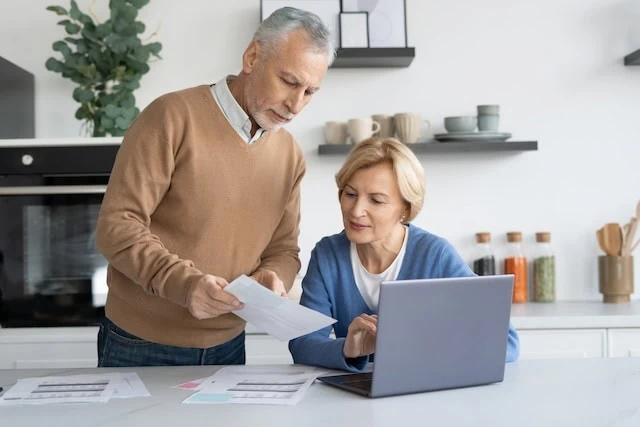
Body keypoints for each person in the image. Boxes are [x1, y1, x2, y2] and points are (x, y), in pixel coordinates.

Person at [94, 7, 334, 367]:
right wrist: (185, 285)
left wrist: (274, 277)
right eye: (288, 81)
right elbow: (117, 227)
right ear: (252, 57)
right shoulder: (171, 118)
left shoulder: (289, 154)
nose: (295, 105)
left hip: (230, 346)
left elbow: (283, 250)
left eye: (310, 91)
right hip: (141, 343)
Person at [289, 137, 520, 372]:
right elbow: (302, 344)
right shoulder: (328, 255)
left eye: (376, 200)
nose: (356, 211)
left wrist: (426, 346)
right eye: (350, 194)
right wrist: (349, 350)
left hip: (422, 396)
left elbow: (506, 343)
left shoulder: (435, 256)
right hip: (352, 396)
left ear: (406, 209)